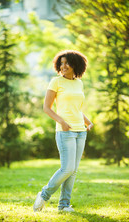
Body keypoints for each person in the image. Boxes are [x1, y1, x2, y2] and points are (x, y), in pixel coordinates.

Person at [33, 50, 93, 212]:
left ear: (76, 65)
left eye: (67, 63)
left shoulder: (79, 83)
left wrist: (87, 121)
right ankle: (44, 195)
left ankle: (64, 205)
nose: (63, 66)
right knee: (66, 168)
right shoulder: (55, 82)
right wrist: (62, 122)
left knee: (73, 171)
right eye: (61, 63)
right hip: (65, 131)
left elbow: (75, 108)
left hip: (81, 131)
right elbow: (47, 108)